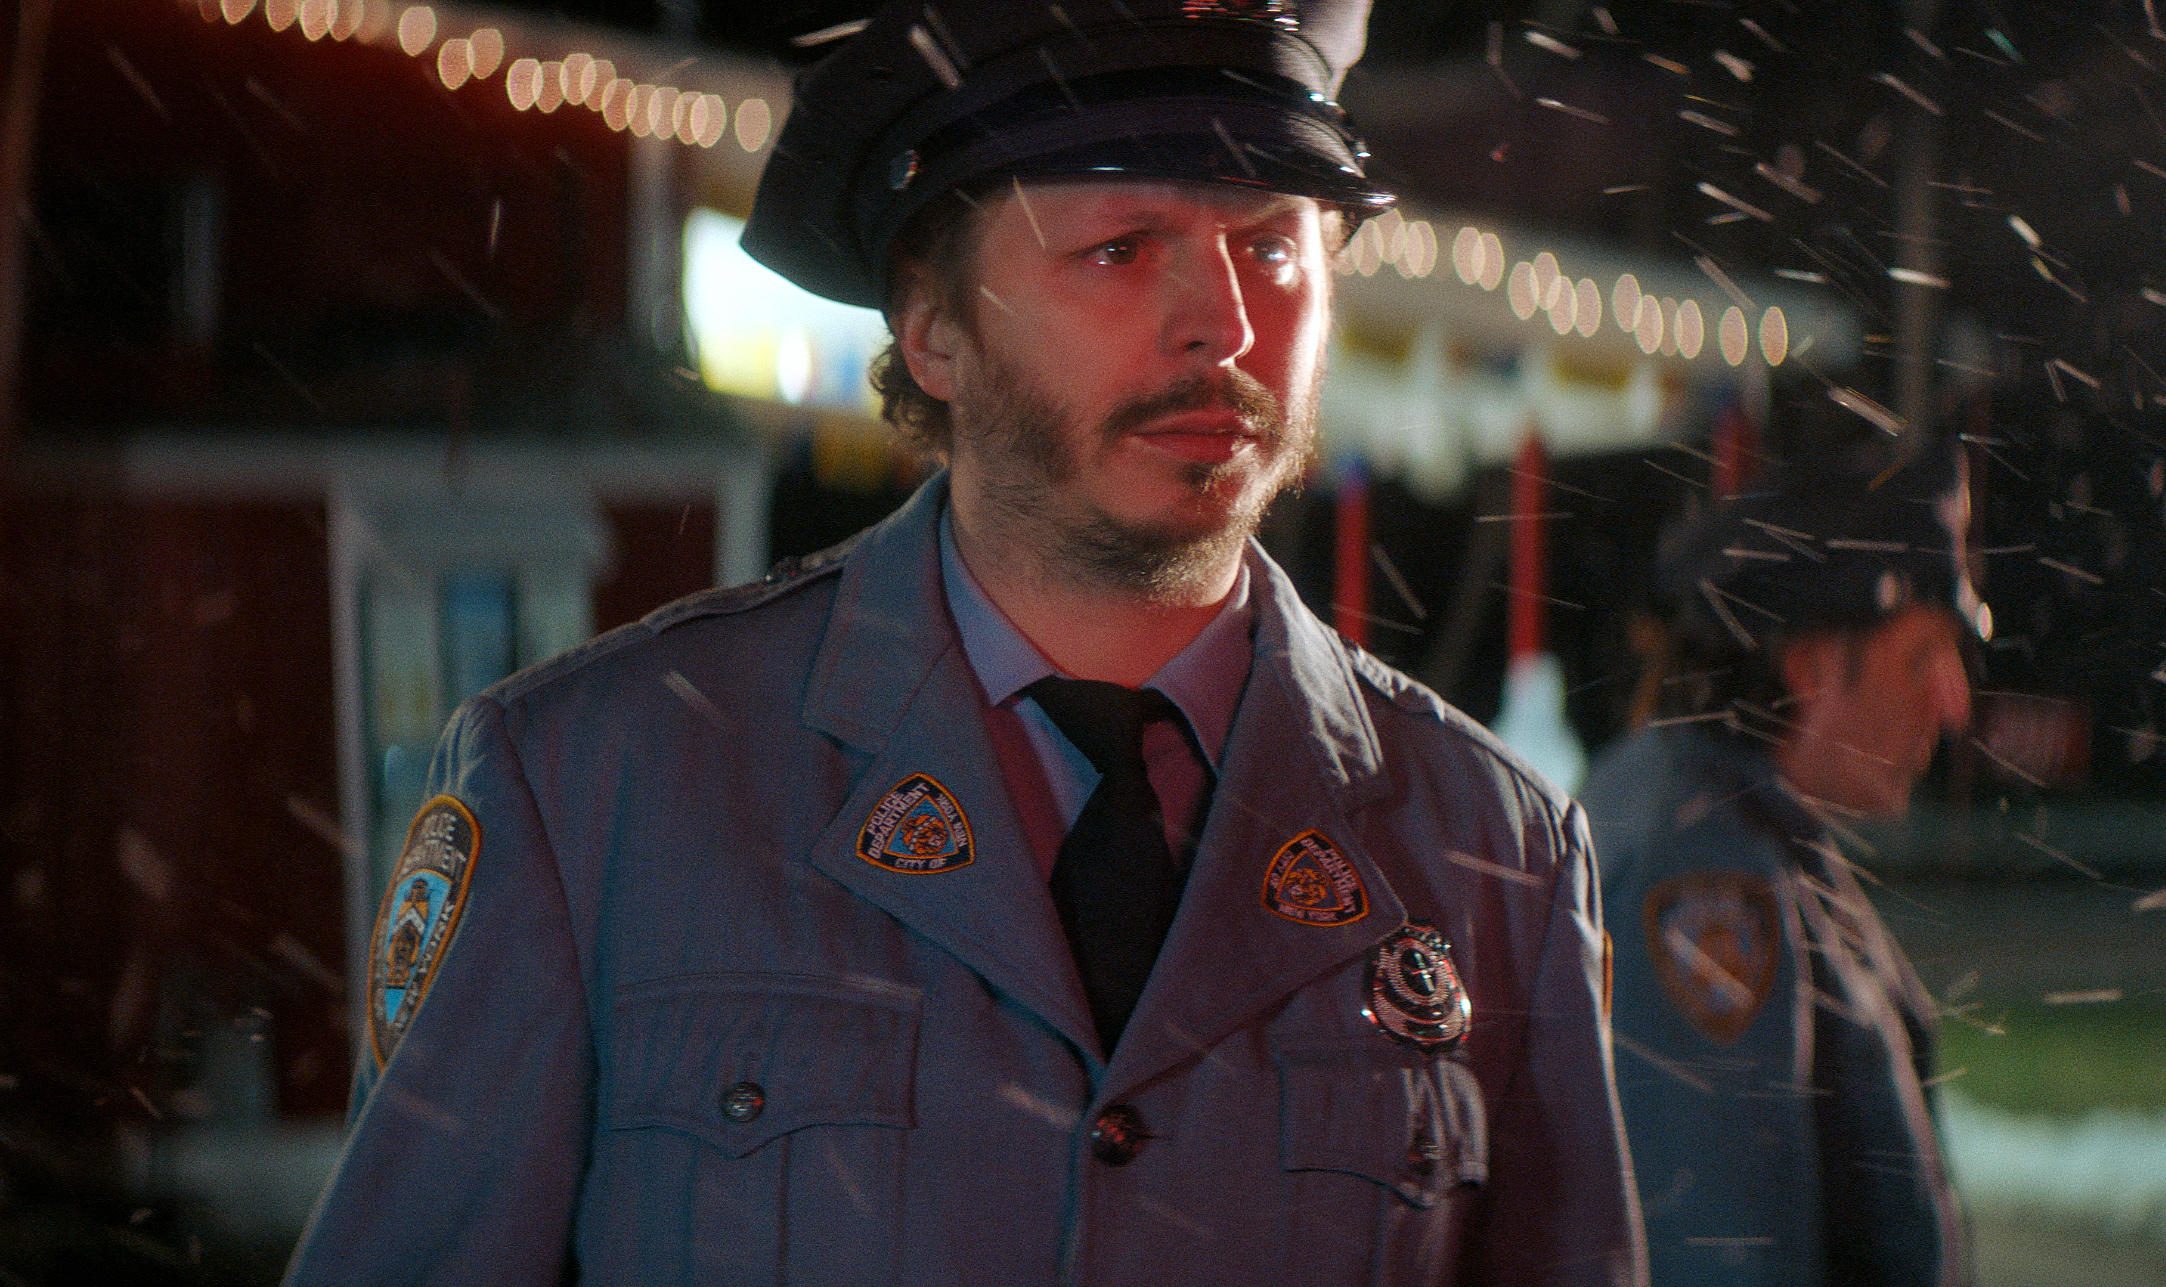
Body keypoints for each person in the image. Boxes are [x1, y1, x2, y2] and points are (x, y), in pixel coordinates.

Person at [284, 2, 1645, 1283]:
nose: (1222, 322)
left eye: (1271, 244)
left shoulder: (1493, 850)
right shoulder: (595, 786)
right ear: (932, 325)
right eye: (1120, 246)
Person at [1585, 447, 1981, 1287]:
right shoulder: (1700, 871)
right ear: (1804, 669)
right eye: (1921, 657)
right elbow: (1718, 1255)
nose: (1954, 703)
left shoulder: (1726, 829)